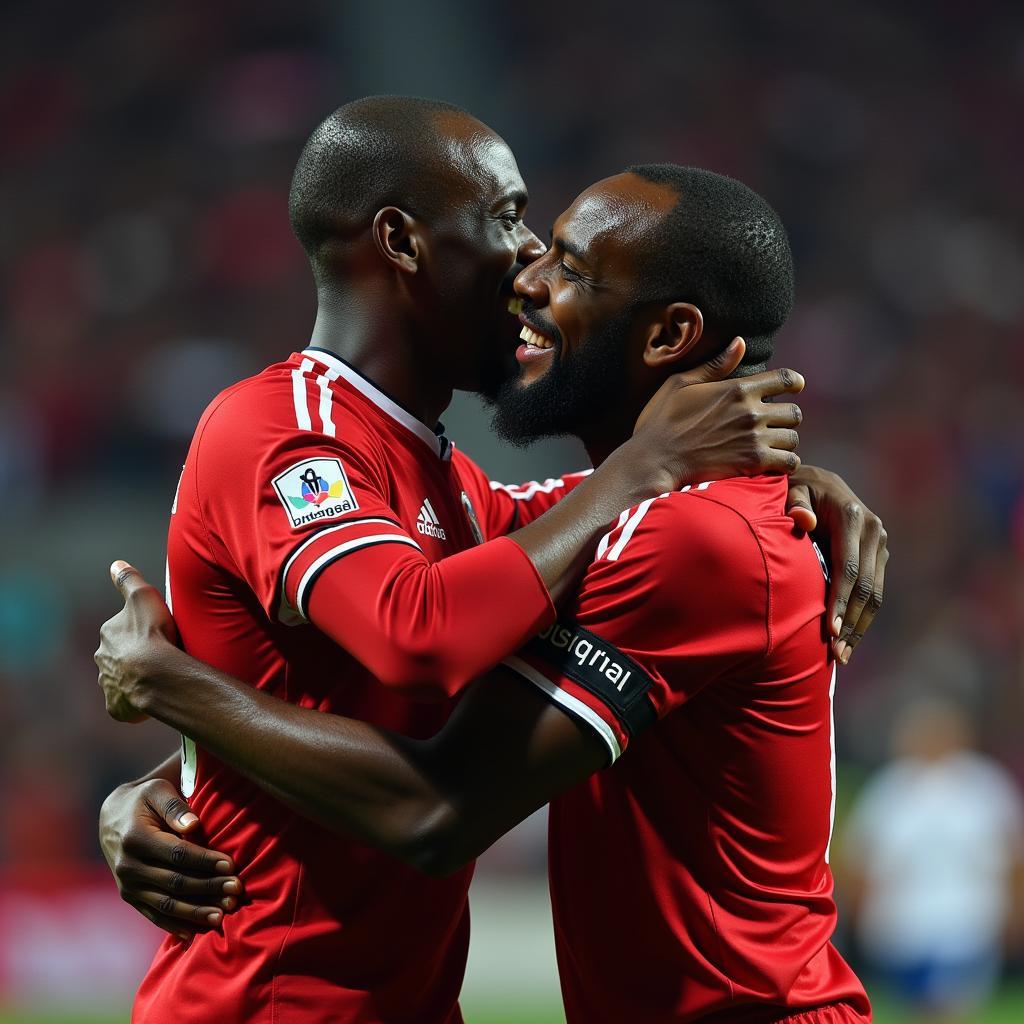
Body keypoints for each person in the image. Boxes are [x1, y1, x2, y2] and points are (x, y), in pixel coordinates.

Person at [99, 162, 882, 1023]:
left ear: (668, 336)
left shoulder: (690, 535)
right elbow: (445, 611)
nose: (529, 277)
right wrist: (181, 777)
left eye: (569, 267)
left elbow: (438, 806)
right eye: (525, 235)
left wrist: (172, 688)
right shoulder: (609, 517)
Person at [841, 696, 1024, 1023]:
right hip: (900, 931)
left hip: (967, 926)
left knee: (945, 1008)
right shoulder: (890, 789)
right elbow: (859, 863)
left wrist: (1013, 912)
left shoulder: (983, 786)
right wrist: (862, 921)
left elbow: (1011, 858)